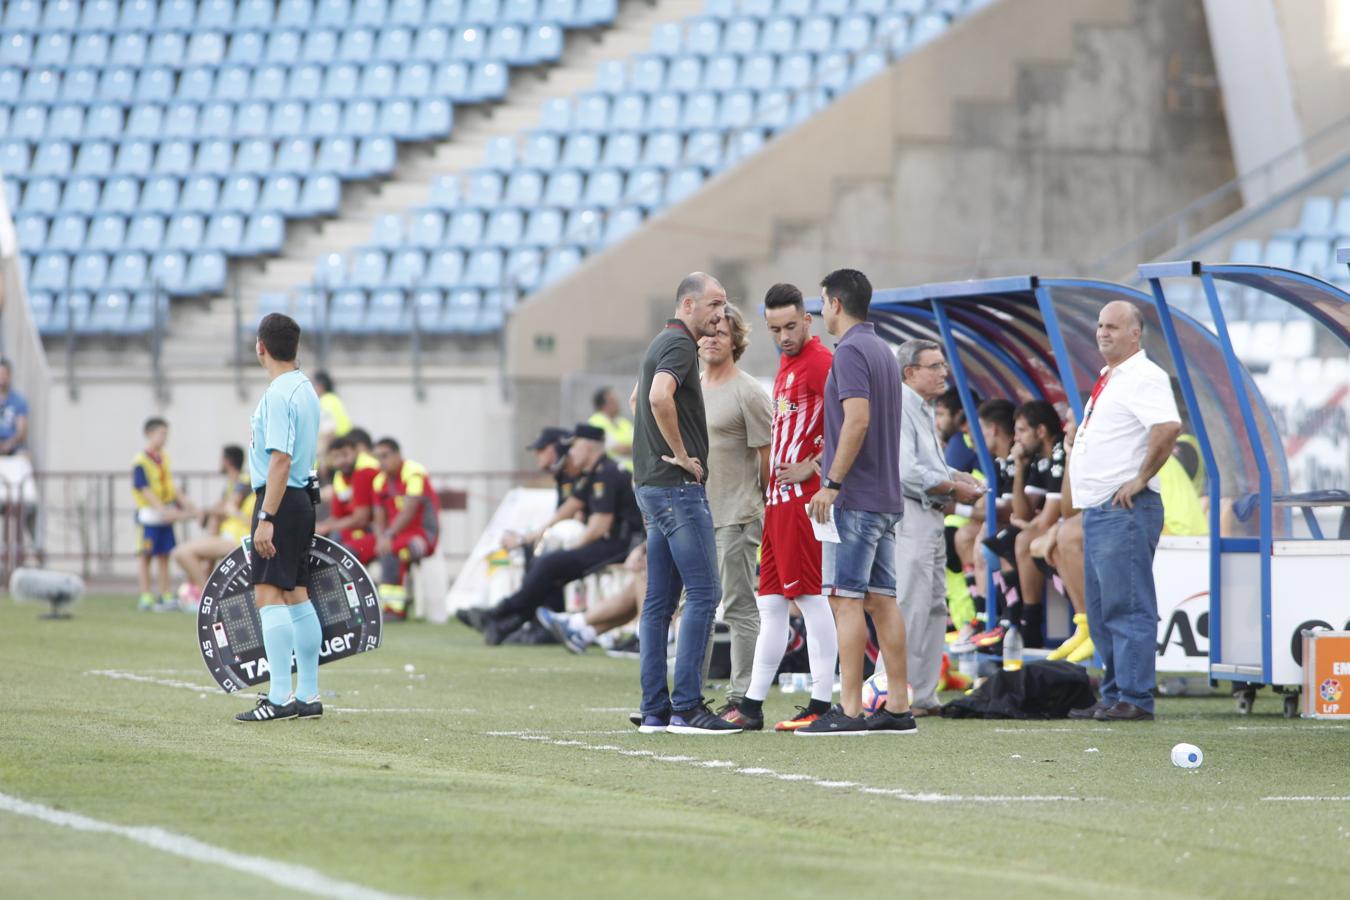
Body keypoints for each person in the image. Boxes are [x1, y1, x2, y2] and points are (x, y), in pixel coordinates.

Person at [721, 283, 839, 733]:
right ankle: (751, 705)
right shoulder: (788, 363)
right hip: (777, 501)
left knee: (810, 598)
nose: (784, 336)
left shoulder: (821, 363)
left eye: (791, 326)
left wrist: (813, 464)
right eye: (775, 329)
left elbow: (853, 420)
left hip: (802, 502)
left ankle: (821, 702)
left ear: (808, 321)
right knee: (770, 603)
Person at [800, 268, 913, 736]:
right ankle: (899, 706)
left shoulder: (847, 351)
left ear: (836, 303)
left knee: (845, 601)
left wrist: (832, 481)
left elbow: (857, 420)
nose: (822, 311)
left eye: (823, 302)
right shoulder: (883, 351)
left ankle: (848, 709)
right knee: (882, 601)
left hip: (856, 499)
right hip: (885, 498)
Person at [632, 272, 741, 735]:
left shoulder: (661, 342)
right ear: (689, 304)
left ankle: (655, 709)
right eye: (715, 304)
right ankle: (687, 707)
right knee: (704, 594)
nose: (722, 313)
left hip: (651, 487)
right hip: (676, 487)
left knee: (658, 602)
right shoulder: (679, 345)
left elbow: (637, 396)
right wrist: (680, 453)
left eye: (725, 304)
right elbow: (657, 397)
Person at [1066, 301, 1181, 723]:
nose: (1103, 333)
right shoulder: (1110, 377)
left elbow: (1167, 428)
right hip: (1100, 508)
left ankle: (1134, 696)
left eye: (1113, 326)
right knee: (1101, 608)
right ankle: (1115, 693)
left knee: (1127, 604)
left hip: (1125, 507)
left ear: (1136, 334)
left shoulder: (1143, 376)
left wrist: (1139, 478)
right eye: (1099, 325)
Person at [235, 312, 323, 723]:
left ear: (260, 346)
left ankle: (279, 697)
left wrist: (266, 516)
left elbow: (281, 460)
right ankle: (307, 694)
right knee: (297, 594)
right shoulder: (305, 388)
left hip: (281, 500)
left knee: (269, 594)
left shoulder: (277, 393)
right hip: (302, 499)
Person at [479, 424, 642, 644]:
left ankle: (504, 612)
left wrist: (572, 549)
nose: (570, 452)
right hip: (607, 542)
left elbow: (599, 526)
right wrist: (531, 536)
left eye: (574, 447)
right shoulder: (592, 474)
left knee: (551, 563)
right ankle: (516, 622)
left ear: (587, 448)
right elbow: (567, 508)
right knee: (546, 562)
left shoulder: (608, 473)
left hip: (622, 545)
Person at [892, 340, 986, 717]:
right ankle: (898, 693)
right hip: (910, 513)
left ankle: (925, 694)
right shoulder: (901, 405)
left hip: (930, 513)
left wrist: (955, 476)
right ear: (910, 372)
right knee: (909, 605)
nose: (944, 372)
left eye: (943, 365)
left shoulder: (923, 407)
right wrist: (953, 486)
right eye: (935, 366)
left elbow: (924, 466)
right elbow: (907, 472)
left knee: (932, 606)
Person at [695, 303, 772, 715]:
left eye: (720, 333)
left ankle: (741, 698)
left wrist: (756, 508)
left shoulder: (749, 392)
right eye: (706, 332)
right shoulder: (689, 386)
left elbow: (767, 459)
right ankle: (691, 696)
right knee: (697, 605)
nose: (711, 339)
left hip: (737, 514)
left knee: (739, 606)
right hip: (697, 514)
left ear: (735, 341)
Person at [171, 444, 254, 607]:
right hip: (227, 536)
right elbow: (221, 508)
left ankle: (208, 598)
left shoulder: (243, 482)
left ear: (227, 461)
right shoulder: (233, 484)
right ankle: (203, 595)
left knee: (182, 553)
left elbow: (228, 507)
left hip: (237, 538)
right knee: (190, 555)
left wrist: (205, 513)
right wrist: (208, 513)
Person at [371, 437, 441, 619]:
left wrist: (388, 535)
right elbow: (379, 517)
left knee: (393, 551)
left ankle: (395, 609)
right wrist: (380, 538)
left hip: (423, 535)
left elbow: (409, 511)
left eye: (385, 456)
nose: (381, 461)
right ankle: (386, 605)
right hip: (395, 536)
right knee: (379, 548)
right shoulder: (380, 481)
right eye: (377, 457)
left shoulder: (414, 473)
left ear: (397, 455)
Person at [132, 417, 193, 611]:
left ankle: (165, 593)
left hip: (164, 514)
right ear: (149, 434)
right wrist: (162, 509)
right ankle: (146, 595)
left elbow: (170, 486)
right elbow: (143, 488)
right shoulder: (140, 461)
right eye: (161, 433)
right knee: (146, 555)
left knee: (165, 555)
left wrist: (185, 505)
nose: (164, 438)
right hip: (149, 515)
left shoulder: (164, 458)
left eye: (166, 433)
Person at [316, 433, 380, 563]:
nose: (341, 461)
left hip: (377, 529)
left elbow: (362, 519)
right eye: (336, 457)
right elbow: (337, 515)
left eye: (345, 455)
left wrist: (327, 527)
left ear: (356, 452)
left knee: (337, 550)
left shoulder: (365, 470)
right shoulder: (340, 475)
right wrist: (322, 526)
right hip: (359, 529)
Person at [588, 387, 636, 471]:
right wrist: (633, 448)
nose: (617, 403)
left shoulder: (622, 422)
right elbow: (617, 448)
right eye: (613, 401)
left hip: (630, 473)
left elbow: (639, 443)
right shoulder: (596, 422)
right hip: (609, 472)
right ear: (604, 405)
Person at [0, 360, 29, 456]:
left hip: (12, 445)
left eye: (4, 374)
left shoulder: (18, 400)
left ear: (9, 376)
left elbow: (21, 432)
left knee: (24, 455)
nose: (2, 377)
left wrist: (9, 444)